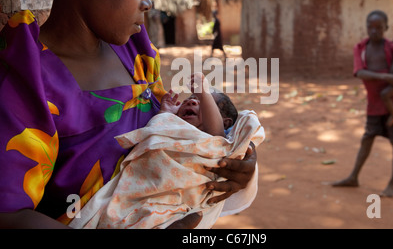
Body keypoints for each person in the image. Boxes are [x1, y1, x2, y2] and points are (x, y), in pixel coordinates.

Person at [0, 0, 256, 229]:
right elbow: (9, 215)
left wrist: (232, 157)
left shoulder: (135, 53)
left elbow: (176, 132)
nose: (148, 2)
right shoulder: (27, 80)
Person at [69, 73, 264, 229]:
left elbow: (216, 133)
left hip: (174, 195)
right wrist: (166, 113)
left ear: (226, 122)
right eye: (190, 98)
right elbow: (157, 131)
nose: (192, 101)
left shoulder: (212, 139)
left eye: (203, 102)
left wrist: (204, 92)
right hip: (141, 185)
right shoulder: (174, 127)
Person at [332, 10, 393, 197]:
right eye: (370, 26)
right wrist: (385, 76)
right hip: (374, 105)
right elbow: (360, 73)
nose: (374, 30)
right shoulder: (360, 48)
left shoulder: (392, 47)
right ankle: (353, 176)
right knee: (367, 139)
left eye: (379, 27)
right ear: (366, 27)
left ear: (386, 28)